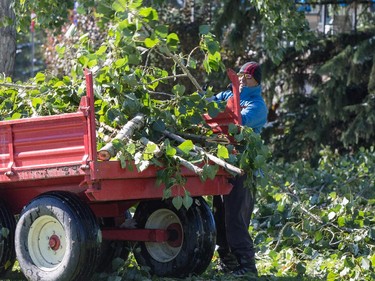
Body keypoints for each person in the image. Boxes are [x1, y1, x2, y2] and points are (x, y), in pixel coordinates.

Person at [209, 61, 268, 277]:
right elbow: (209, 103)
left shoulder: (258, 105)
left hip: (244, 168)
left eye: (248, 77)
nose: (243, 80)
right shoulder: (229, 95)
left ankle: (247, 266)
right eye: (241, 76)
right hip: (224, 165)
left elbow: (238, 123)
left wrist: (222, 110)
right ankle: (228, 262)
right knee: (220, 214)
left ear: (256, 82)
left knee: (236, 218)